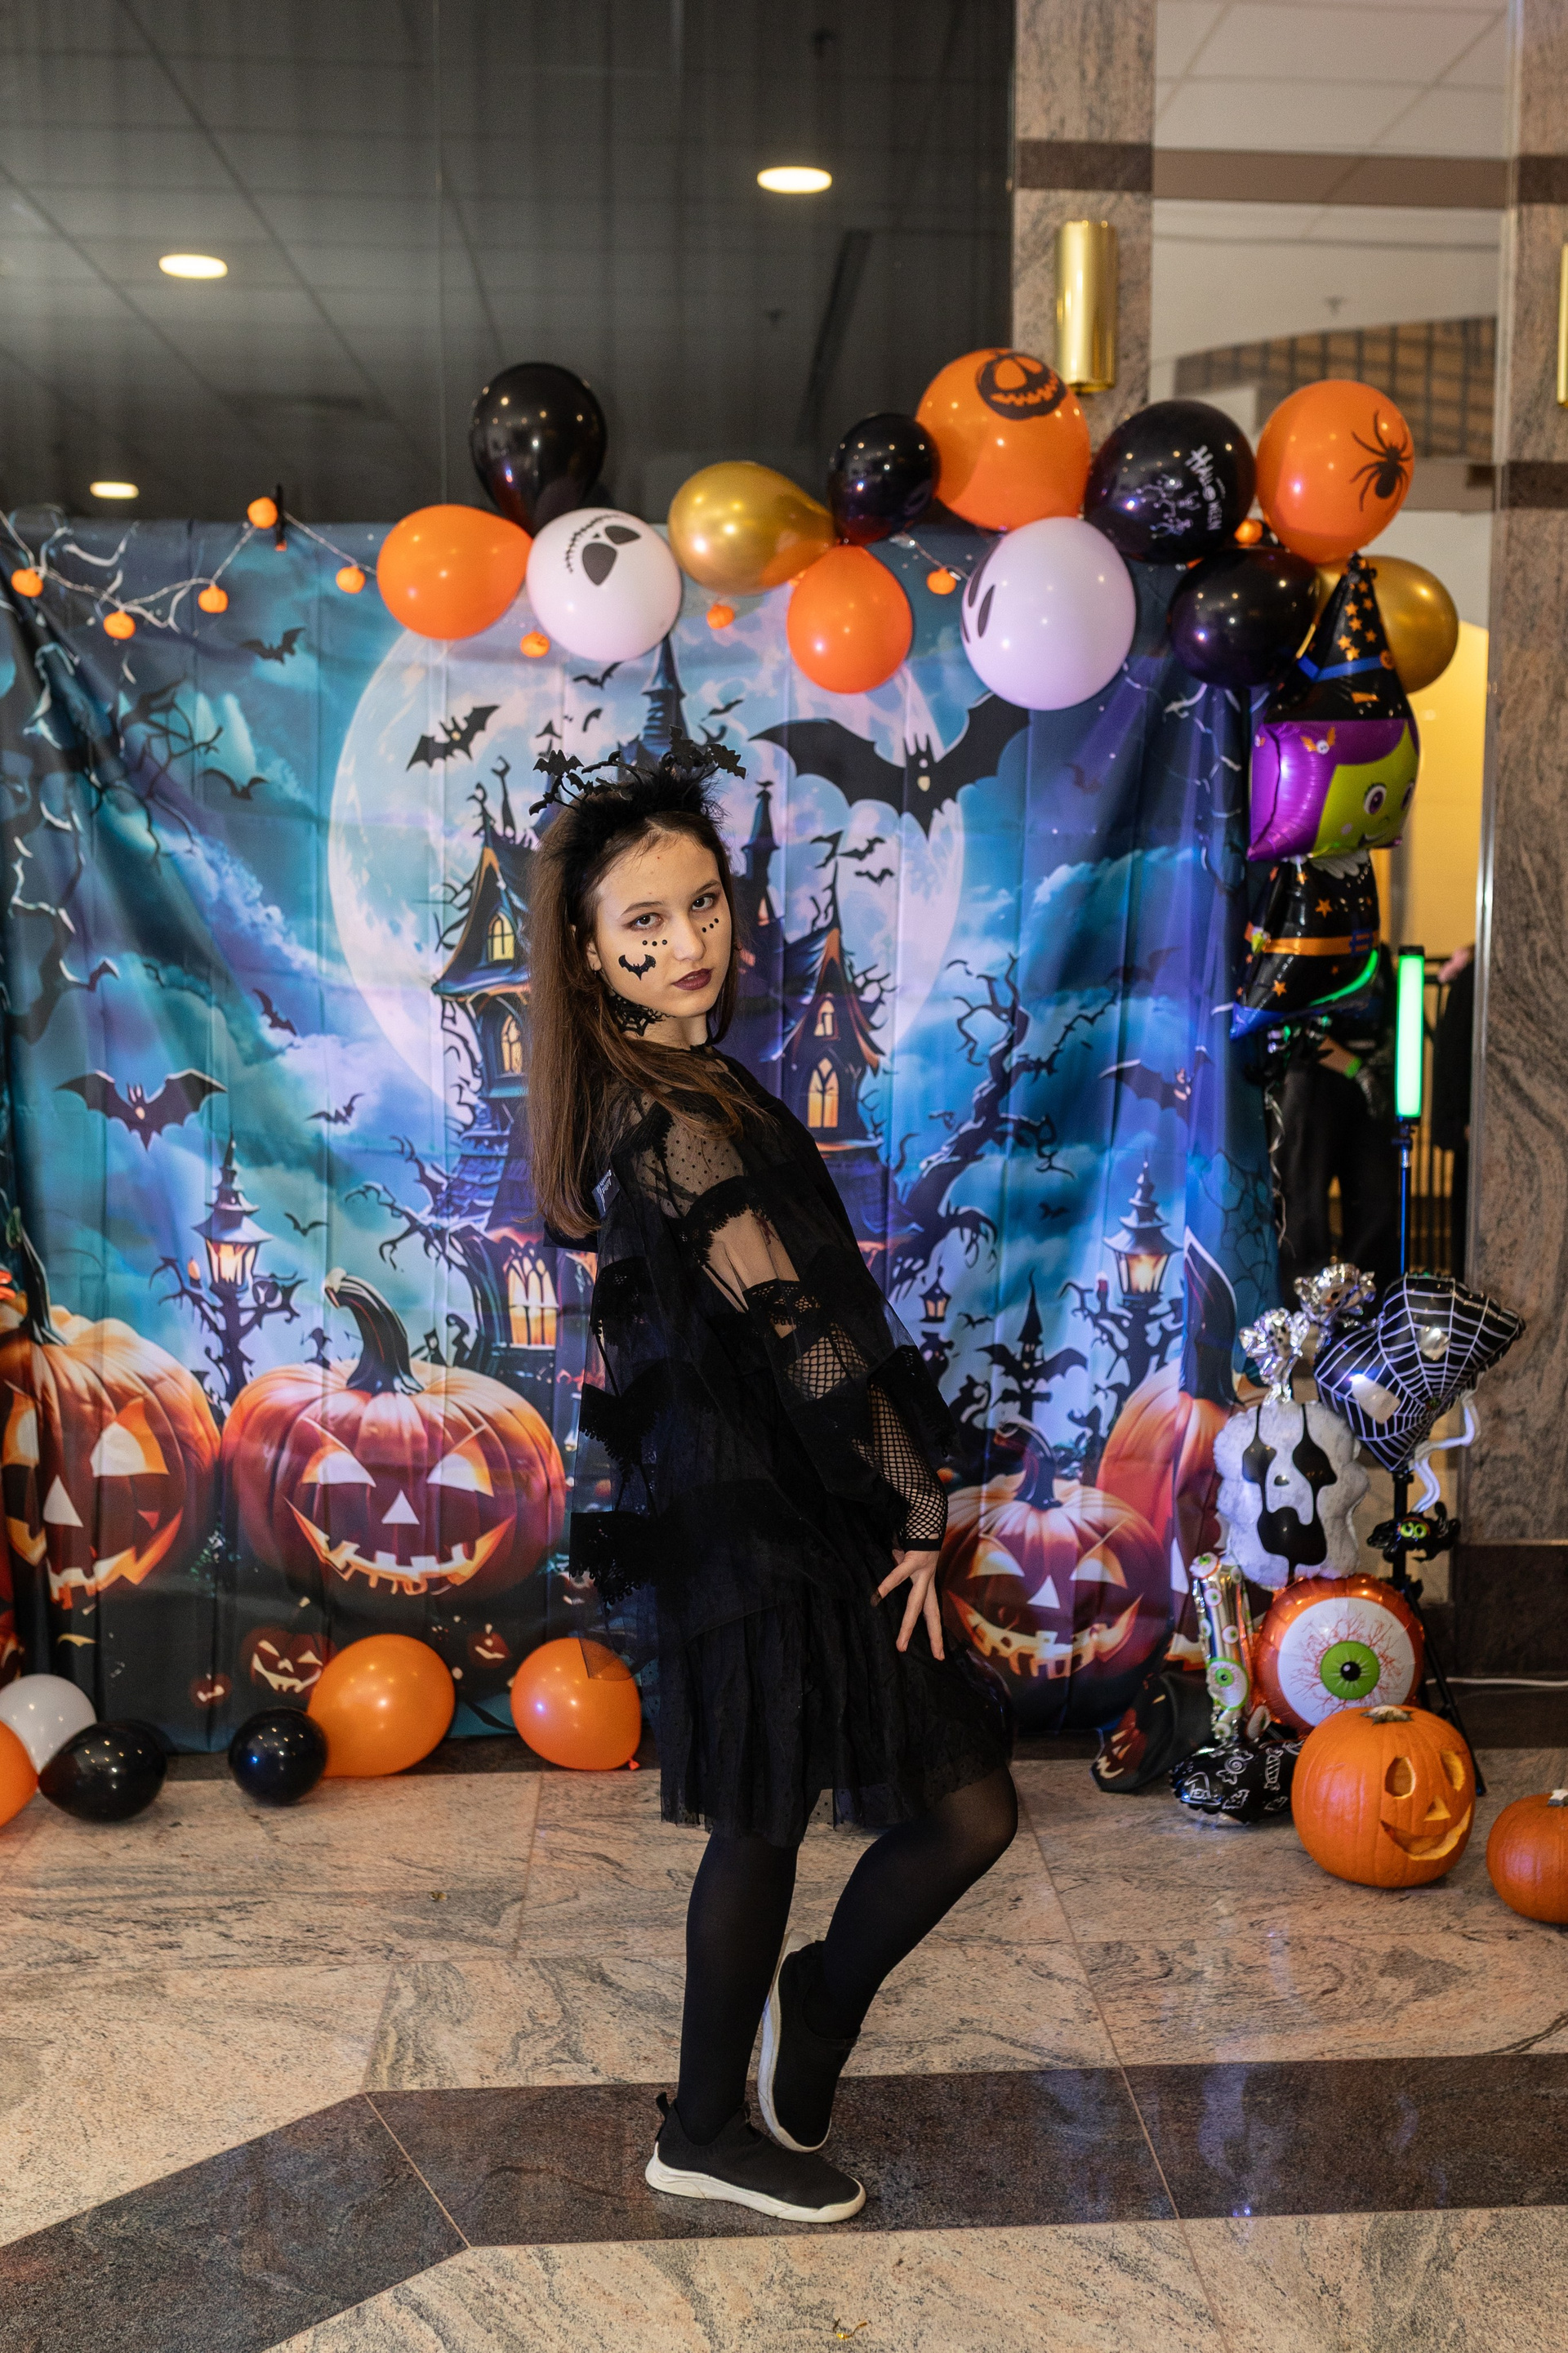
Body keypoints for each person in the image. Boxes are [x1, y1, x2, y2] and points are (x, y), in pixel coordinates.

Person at [528, 737, 1015, 2226]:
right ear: (590, 953)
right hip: (761, 1516)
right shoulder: (669, 1115)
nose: (689, 941)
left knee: (956, 1811)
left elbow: (801, 1322)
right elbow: (801, 1333)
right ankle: (699, 2126)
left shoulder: (700, 1079)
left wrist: (900, 1494)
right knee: (768, 1821)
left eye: (704, 904)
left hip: (802, 1499)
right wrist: (920, 1497)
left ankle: (820, 1997)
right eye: (645, 922)